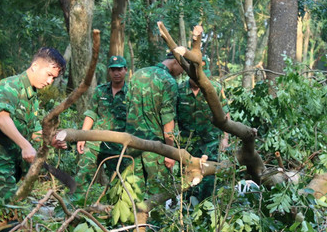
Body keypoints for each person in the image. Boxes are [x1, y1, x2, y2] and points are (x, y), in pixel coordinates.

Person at [0, 47, 67, 214]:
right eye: (49, 75)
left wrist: (51, 140)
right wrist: (25, 146)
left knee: (6, 218)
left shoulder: (31, 97)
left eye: (54, 78)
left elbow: (33, 131)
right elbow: (2, 119)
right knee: (7, 219)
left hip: (7, 168)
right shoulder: (10, 86)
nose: (50, 82)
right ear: (35, 66)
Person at [124, 53, 185, 194]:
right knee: (157, 197)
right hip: (156, 150)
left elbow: (128, 109)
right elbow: (168, 119)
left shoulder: (138, 74)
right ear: (176, 61)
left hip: (132, 144)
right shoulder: (168, 81)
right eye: (182, 69)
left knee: (132, 194)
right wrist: (170, 152)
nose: (181, 73)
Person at [175, 56, 229, 203]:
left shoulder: (215, 88)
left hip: (210, 142)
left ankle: (206, 210)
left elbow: (225, 114)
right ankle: (187, 211)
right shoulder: (179, 90)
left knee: (209, 179)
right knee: (187, 179)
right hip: (188, 143)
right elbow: (173, 116)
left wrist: (225, 138)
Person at [76, 55, 128, 183]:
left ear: (125, 70)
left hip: (119, 143)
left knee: (120, 181)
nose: (116, 73)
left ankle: (112, 202)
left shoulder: (131, 92)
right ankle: (75, 201)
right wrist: (83, 136)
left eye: (119, 69)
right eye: (113, 70)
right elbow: (91, 114)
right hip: (97, 141)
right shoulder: (100, 91)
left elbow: (135, 119)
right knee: (83, 173)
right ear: (109, 71)